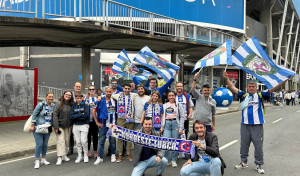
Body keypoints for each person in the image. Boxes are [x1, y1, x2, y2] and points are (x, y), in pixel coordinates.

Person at [223, 71, 291, 174]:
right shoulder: (243, 94)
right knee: (244, 145)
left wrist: (285, 79)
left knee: (258, 146)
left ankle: (258, 164)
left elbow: (273, 88)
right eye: (249, 86)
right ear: (247, 87)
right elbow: (232, 87)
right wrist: (226, 78)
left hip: (257, 125)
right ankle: (243, 162)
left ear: (256, 88)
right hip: (245, 125)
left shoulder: (260, 95)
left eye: (253, 87)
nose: (251, 88)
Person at [111, 83, 137, 162]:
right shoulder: (118, 95)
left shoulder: (133, 95)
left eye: (128, 89)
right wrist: (98, 98)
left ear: (130, 89)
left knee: (129, 137)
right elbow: (108, 95)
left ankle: (128, 153)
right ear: (123, 88)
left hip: (130, 119)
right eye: (125, 88)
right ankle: (120, 154)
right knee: (120, 137)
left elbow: (143, 94)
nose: (127, 90)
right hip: (121, 119)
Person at [93, 87, 118, 164]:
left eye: (110, 92)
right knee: (101, 141)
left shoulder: (114, 101)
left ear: (111, 93)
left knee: (113, 141)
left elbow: (117, 112)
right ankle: (100, 157)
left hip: (112, 125)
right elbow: (94, 111)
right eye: (107, 91)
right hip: (103, 124)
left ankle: (113, 154)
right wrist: (96, 122)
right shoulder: (100, 101)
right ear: (105, 92)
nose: (109, 93)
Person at [30, 92, 55, 169]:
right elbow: (34, 114)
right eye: (49, 96)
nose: (51, 98)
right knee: (39, 144)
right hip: (39, 127)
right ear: (46, 97)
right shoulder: (40, 105)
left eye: (52, 97)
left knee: (45, 144)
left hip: (48, 128)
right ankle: (37, 160)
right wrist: (32, 125)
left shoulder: (53, 106)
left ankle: (43, 158)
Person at [161, 91, 184, 167]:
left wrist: (181, 128)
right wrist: (162, 126)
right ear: (168, 97)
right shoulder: (164, 105)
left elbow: (182, 117)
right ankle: (167, 159)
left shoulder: (178, 105)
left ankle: (174, 159)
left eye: (172, 95)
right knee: (166, 141)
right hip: (167, 124)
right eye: (169, 95)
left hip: (175, 124)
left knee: (175, 142)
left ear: (175, 96)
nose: (171, 97)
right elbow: (162, 116)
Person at [53, 90, 74, 165]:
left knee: (66, 140)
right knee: (60, 141)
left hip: (68, 125)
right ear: (64, 94)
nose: (68, 96)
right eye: (66, 94)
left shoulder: (71, 104)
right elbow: (55, 115)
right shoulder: (58, 103)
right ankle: (59, 157)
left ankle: (64, 154)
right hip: (60, 126)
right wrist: (56, 127)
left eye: (69, 95)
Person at [69, 92, 90, 163]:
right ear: (75, 98)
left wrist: (77, 116)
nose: (79, 99)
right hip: (75, 125)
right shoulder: (74, 106)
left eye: (80, 98)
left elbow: (86, 116)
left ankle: (85, 155)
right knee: (78, 142)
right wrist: (81, 114)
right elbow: (71, 116)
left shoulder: (86, 106)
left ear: (82, 98)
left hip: (84, 125)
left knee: (84, 141)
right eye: (77, 98)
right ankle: (80, 155)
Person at [68, 82, 86, 156]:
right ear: (74, 87)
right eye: (77, 86)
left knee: (81, 135)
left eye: (79, 87)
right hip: (71, 116)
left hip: (80, 118)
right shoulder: (70, 95)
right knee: (70, 135)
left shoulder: (83, 96)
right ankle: (71, 149)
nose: (78, 88)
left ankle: (81, 149)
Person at [86, 85, 99, 158]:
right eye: (90, 89)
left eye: (93, 89)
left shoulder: (98, 98)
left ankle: (95, 151)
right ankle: (88, 151)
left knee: (95, 136)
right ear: (88, 90)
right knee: (88, 136)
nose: (91, 90)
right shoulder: (85, 98)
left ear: (94, 90)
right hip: (88, 120)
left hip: (95, 120)